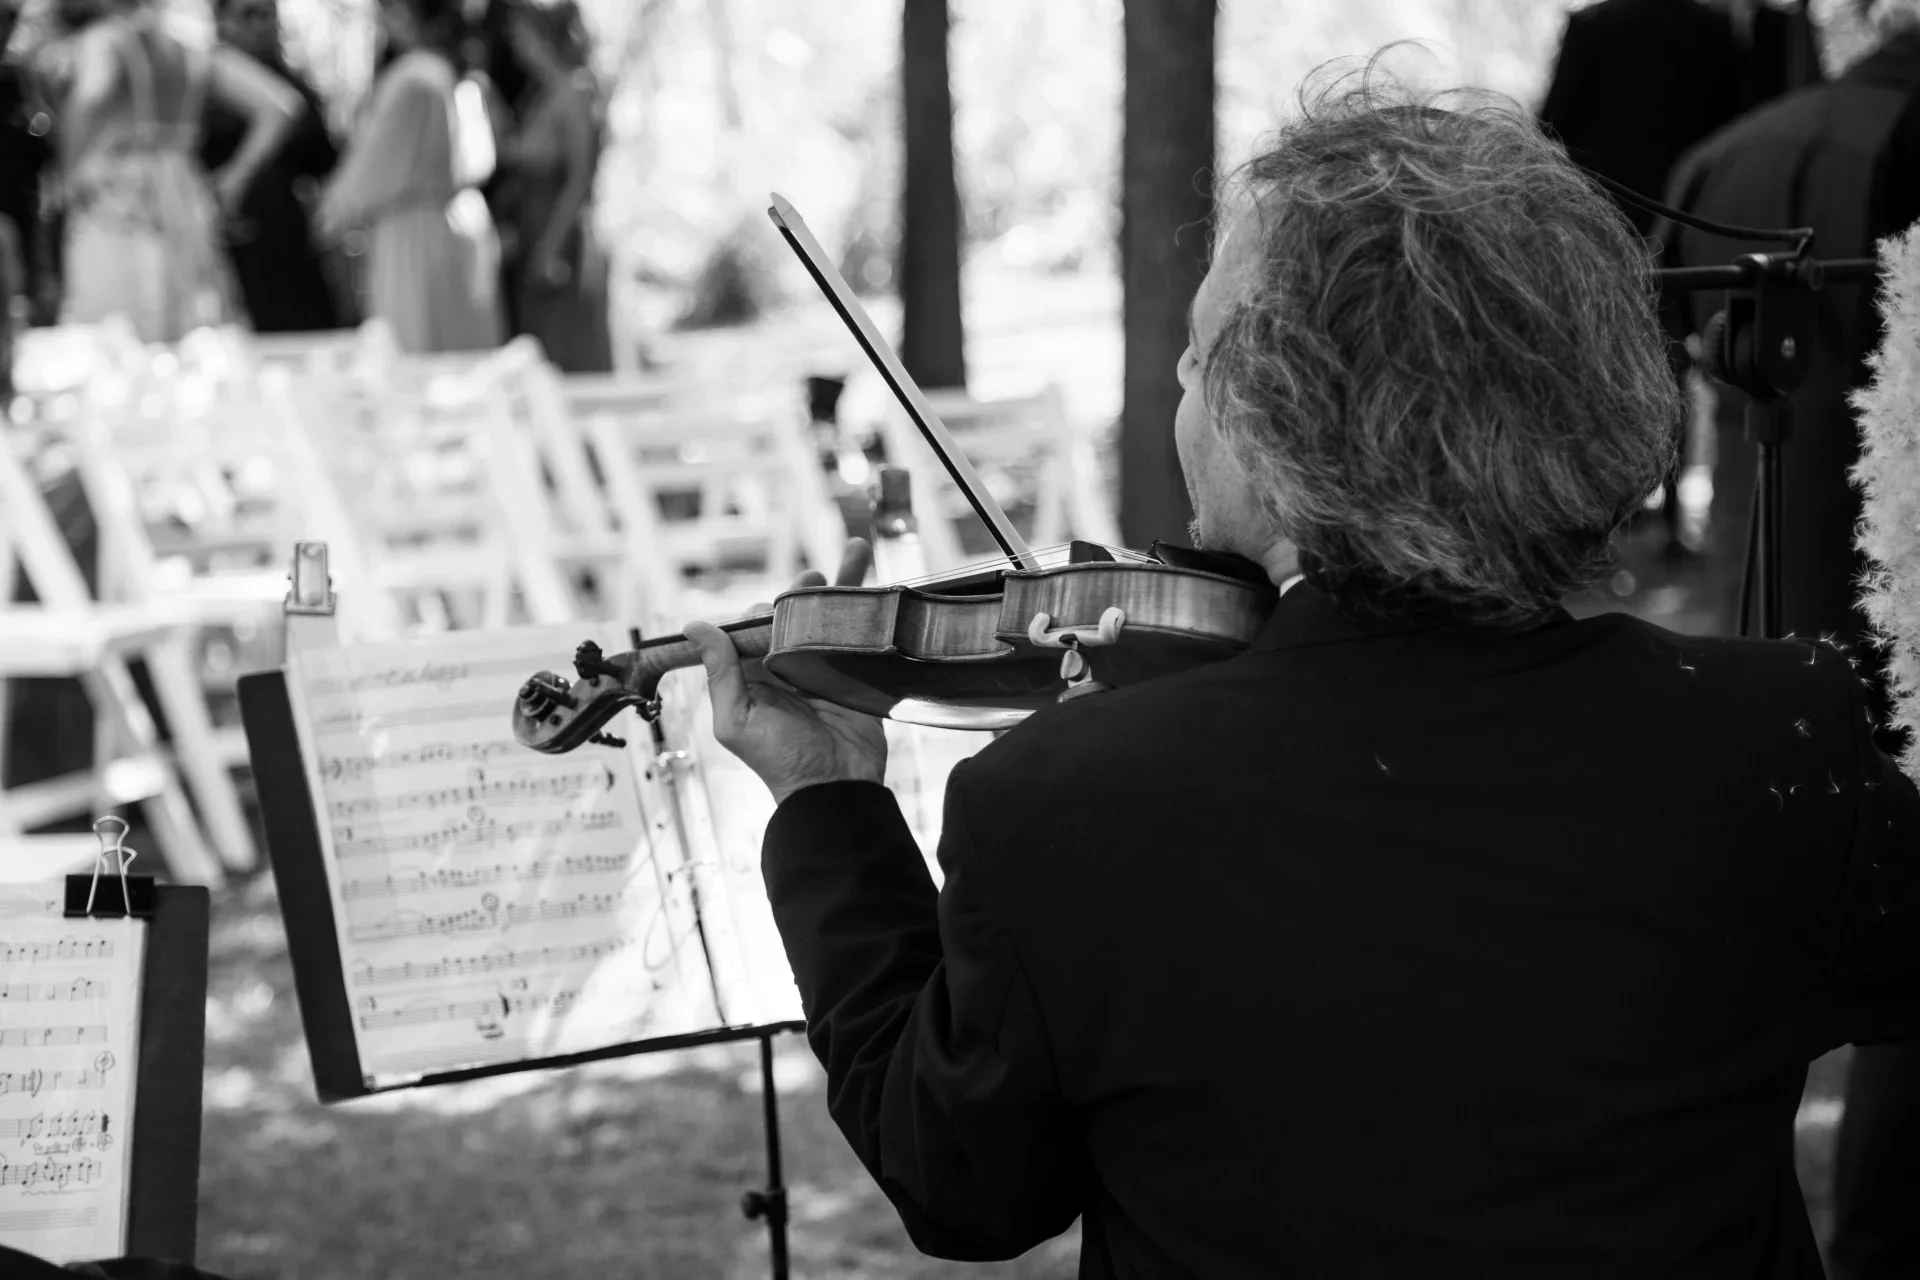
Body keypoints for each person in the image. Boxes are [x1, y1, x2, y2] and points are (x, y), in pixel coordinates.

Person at [679, 49, 1920, 1277]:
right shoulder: (1778, 740)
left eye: (1203, 348)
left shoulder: (1072, 802)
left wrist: (831, 795)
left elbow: (962, 1183)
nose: (1179, 374)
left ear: (1281, 421)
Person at [53, 0, 298, 342]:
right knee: (190, 317)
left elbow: (92, 93)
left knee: (118, 319)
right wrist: (234, 179)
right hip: (183, 188)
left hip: (118, 190)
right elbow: (281, 107)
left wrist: (68, 171)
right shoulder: (192, 51)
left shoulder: (104, 41)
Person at [317, 0, 504, 354]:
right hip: (459, 221)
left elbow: (378, 164)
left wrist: (333, 211)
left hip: (416, 229)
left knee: (419, 344)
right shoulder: (454, 70)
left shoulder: (414, 79)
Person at [200, 0, 350, 333]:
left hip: (283, 234)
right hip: (220, 236)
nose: (259, 25)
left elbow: (326, 164)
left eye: (266, 15)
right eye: (247, 15)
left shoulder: (296, 84)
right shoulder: (203, 83)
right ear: (222, 21)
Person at [492, 0, 611, 371]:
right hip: (531, 230)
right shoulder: (540, 94)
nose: (514, 43)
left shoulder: (576, 92)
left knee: (569, 352)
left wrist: (551, 247)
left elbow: (580, 178)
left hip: (562, 240)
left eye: (521, 34)